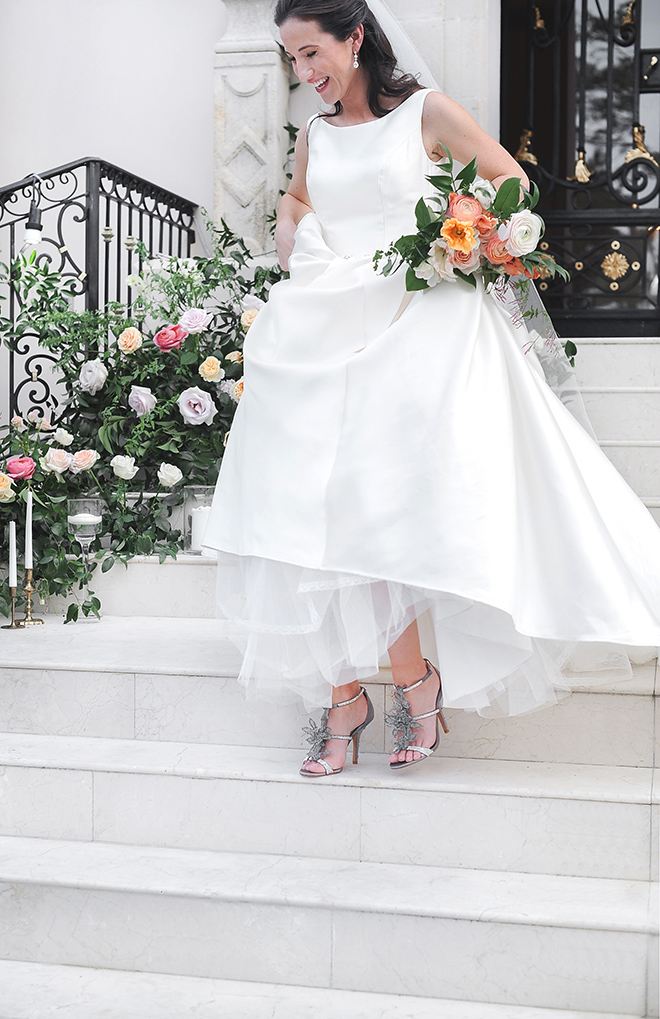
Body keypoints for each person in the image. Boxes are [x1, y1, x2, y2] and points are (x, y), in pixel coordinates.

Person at [203, 0, 660, 776]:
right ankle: (346, 693)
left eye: (314, 54)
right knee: (294, 508)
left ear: (355, 38)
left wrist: (461, 242)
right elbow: (303, 199)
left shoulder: (428, 112)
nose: (305, 75)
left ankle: (415, 684)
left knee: (375, 515)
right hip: (322, 330)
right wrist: (289, 221)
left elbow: (509, 182)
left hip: (412, 326)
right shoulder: (314, 134)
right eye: (292, 61)